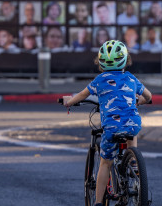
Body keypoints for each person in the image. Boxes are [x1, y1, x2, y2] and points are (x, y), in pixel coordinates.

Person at [63, 40, 152, 206]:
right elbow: (149, 96)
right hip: (132, 124)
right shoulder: (131, 79)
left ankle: (97, 202)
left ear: (100, 62)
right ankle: (133, 161)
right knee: (131, 129)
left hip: (111, 127)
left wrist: (69, 102)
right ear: (126, 60)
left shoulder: (100, 80)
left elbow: (82, 95)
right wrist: (139, 101)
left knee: (105, 162)